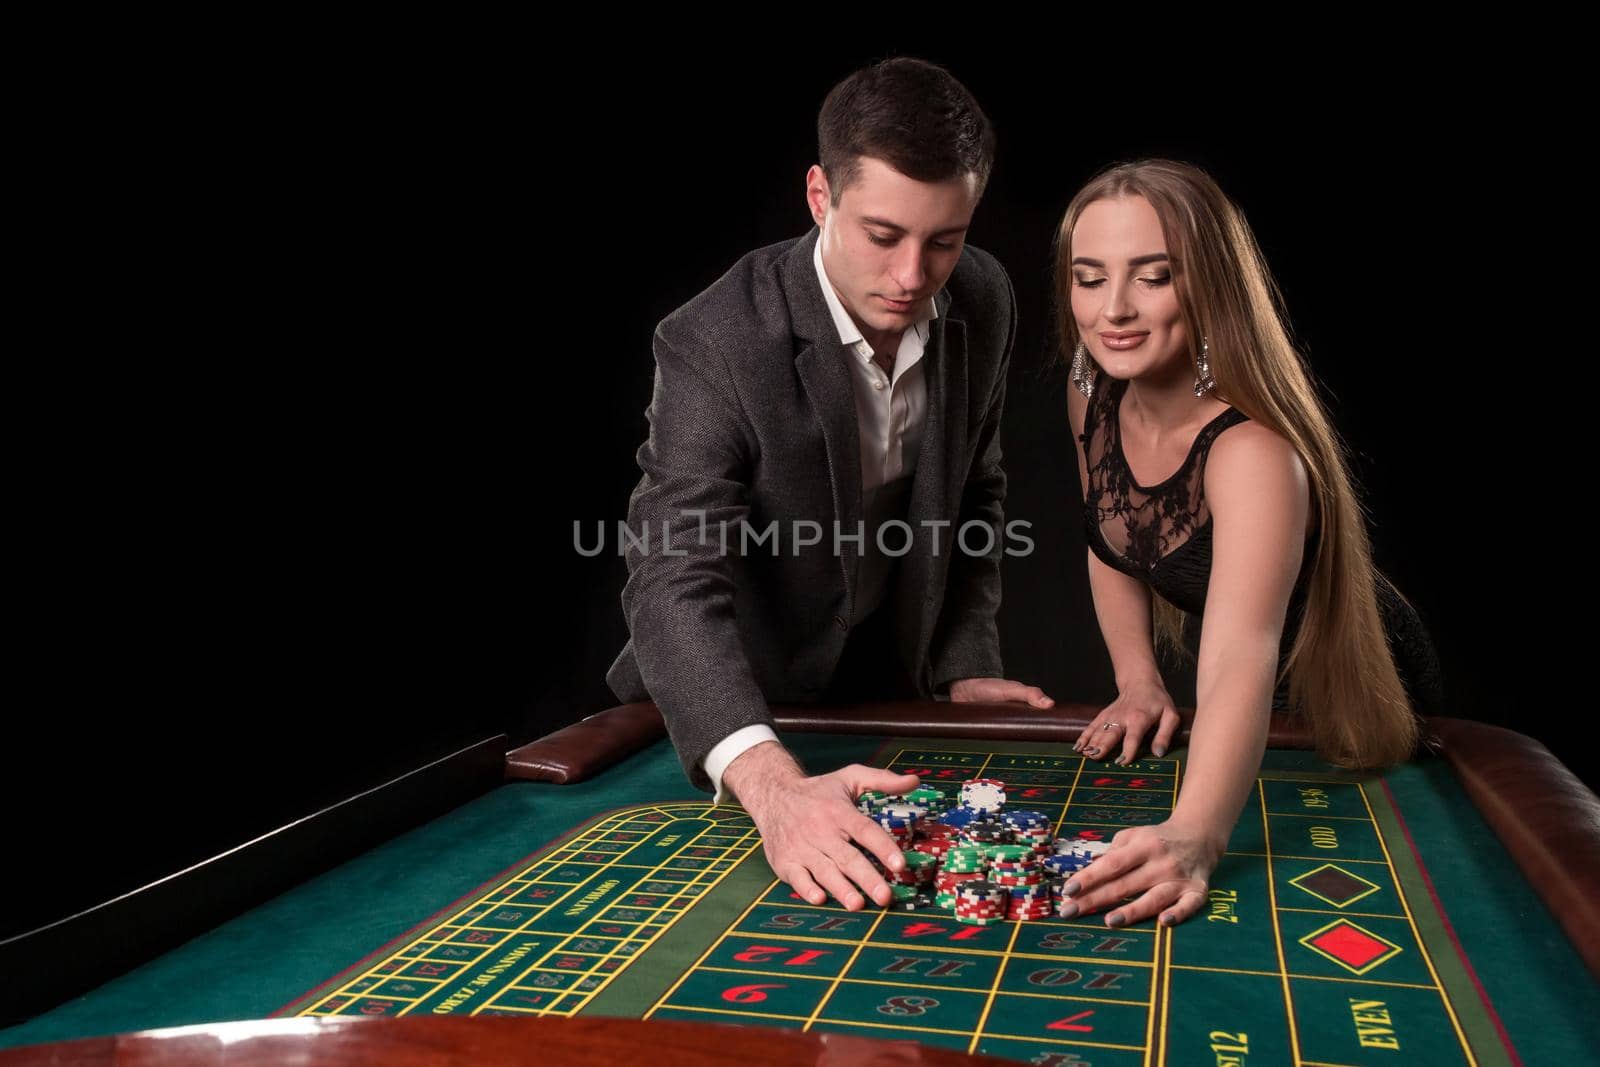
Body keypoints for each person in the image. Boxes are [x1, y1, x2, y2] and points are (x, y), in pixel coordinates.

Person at [606, 57, 1053, 914]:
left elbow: (975, 493)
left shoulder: (983, 296)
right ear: (819, 196)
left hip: (887, 692)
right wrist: (771, 789)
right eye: (883, 235)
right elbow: (671, 573)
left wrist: (963, 665)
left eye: (945, 240)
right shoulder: (718, 340)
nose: (915, 276)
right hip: (738, 712)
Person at [1056, 159, 1444, 929]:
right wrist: (1138, 679)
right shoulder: (1091, 392)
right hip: (1241, 679)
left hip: (1350, 681)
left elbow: (1242, 650)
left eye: (1154, 276)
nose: (1115, 309)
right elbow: (1109, 536)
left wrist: (1195, 833)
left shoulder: (1254, 452)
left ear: (1209, 285)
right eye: (1090, 277)